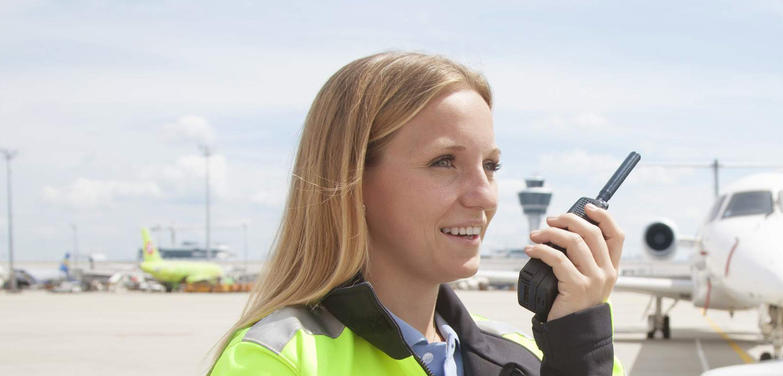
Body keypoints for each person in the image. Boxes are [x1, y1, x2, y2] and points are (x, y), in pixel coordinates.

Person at [209, 52, 625, 376]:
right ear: (351, 179)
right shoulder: (280, 361)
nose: (484, 196)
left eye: (491, 167)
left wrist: (580, 344)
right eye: (444, 162)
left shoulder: (528, 351)